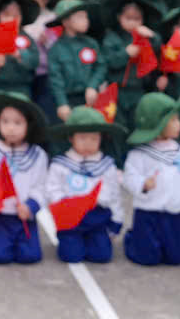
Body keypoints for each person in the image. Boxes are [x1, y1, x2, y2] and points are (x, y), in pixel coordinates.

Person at [0, 91, 47, 265]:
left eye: (17, 123)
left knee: (30, 257)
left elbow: (41, 186)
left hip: (24, 217)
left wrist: (31, 206)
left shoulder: (37, 155)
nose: (11, 128)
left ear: (29, 125)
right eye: (5, 121)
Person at [122, 93, 180, 267]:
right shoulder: (139, 154)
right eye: (173, 120)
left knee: (176, 258)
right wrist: (142, 184)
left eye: (178, 119)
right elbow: (129, 177)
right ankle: (132, 238)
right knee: (147, 258)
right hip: (149, 212)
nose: (179, 124)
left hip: (176, 213)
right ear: (158, 125)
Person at [45, 106, 125, 263]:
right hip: (71, 219)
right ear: (71, 138)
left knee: (101, 256)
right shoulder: (61, 164)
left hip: (97, 219)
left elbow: (114, 195)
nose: (88, 144)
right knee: (71, 255)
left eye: (94, 139)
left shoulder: (106, 165)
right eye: (82, 138)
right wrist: (65, 203)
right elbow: (52, 189)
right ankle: (69, 240)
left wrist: (116, 221)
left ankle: (97, 240)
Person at [99, 0, 163, 153]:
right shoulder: (112, 37)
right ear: (119, 17)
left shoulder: (145, 37)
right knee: (118, 128)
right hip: (117, 91)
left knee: (138, 126)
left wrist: (151, 36)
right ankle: (119, 161)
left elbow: (159, 49)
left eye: (137, 19)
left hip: (138, 91)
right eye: (128, 18)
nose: (133, 22)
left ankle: (137, 158)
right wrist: (125, 53)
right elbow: (108, 62)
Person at [46, 0, 104, 122]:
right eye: (80, 17)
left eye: (86, 17)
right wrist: (62, 103)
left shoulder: (91, 43)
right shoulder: (55, 49)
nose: (86, 21)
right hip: (68, 101)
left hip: (90, 98)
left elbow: (101, 66)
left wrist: (92, 86)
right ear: (66, 22)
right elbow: (56, 80)